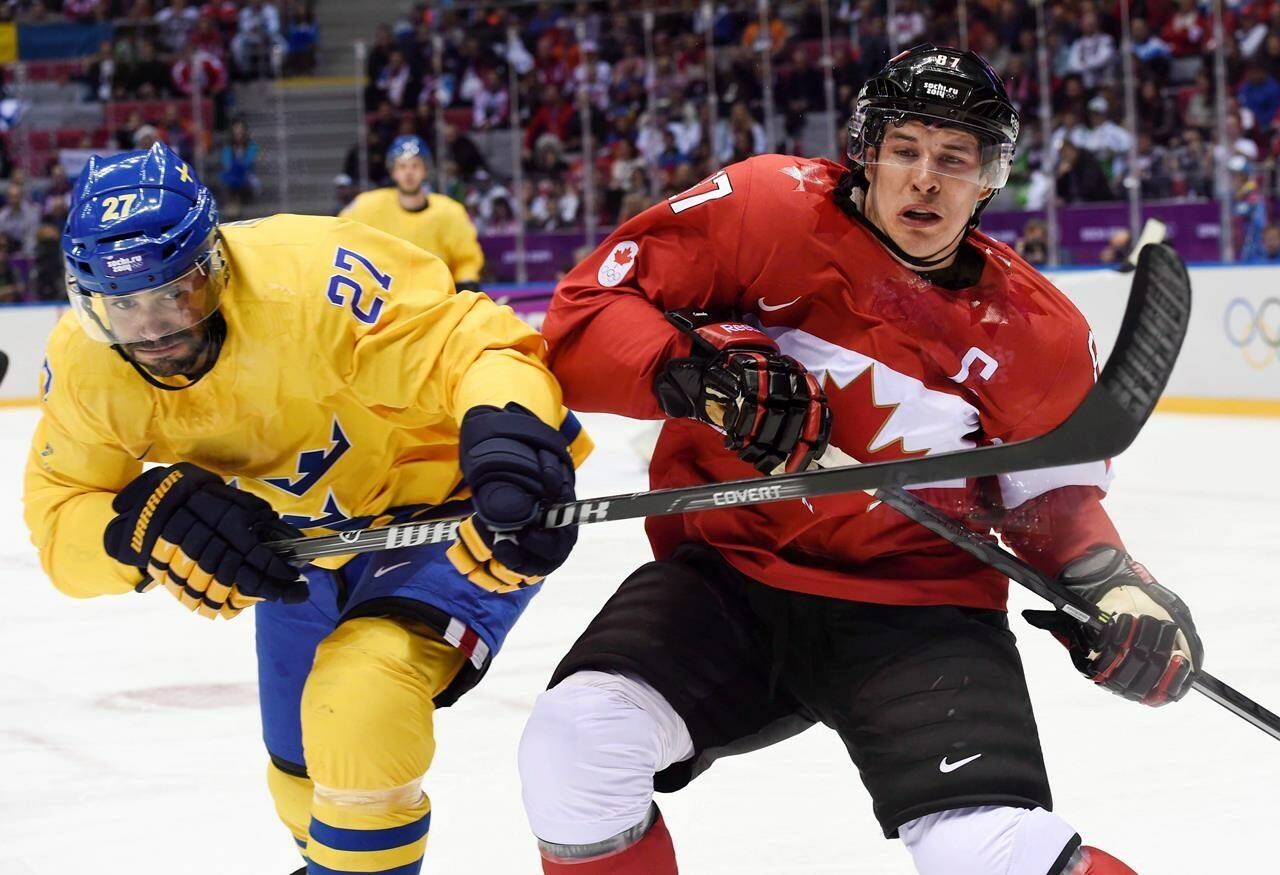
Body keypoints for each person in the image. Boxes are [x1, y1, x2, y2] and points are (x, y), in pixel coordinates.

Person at [518, 45, 1201, 875]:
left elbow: (1052, 501)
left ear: (990, 179)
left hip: (916, 613)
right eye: (905, 148)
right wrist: (695, 371)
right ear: (863, 149)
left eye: (956, 159)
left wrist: (1115, 585)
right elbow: (586, 312)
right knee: (575, 742)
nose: (926, 178)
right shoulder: (765, 211)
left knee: (991, 852)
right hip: (730, 578)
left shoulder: (1038, 334)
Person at [23, 141, 591, 875]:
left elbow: (476, 344)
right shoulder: (86, 365)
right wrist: (138, 530)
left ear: (216, 265)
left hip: (446, 509)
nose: (156, 330)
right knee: (299, 772)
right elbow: (58, 516)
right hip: (302, 546)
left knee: (361, 700)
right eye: (123, 306)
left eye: (175, 292)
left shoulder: (315, 277)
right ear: (86, 300)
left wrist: (510, 436)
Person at [341, 135, 486, 292]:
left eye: (415, 166)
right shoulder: (368, 206)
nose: (409, 173)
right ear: (393, 171)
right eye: (402, 166)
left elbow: (466, 259)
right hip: (385, 299)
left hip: (436, 299)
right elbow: (342, 236)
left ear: (425, 170)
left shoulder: (449, 211)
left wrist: (466, 282)